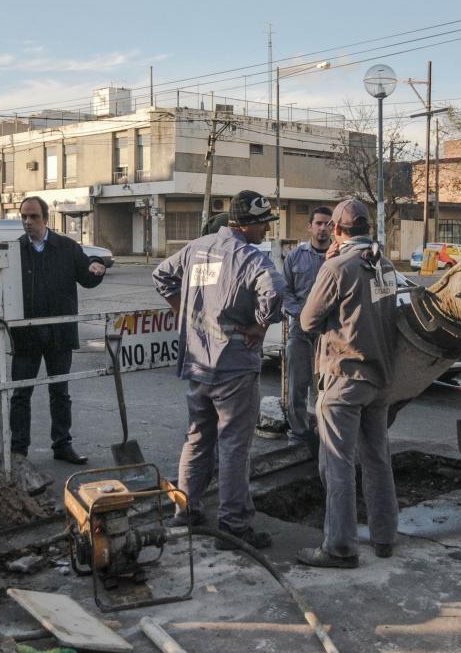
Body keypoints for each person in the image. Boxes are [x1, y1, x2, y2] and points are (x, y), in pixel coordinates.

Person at [153, 189, 284, 550]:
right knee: (233, 446)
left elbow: (161, 275)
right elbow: (275, 292)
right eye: (263, 224)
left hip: (198, 361)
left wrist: (185, 312)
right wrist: (261, 325)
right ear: (246, 224)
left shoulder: (197, 247)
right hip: (233, 365)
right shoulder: (251, 258)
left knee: (197, 438)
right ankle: (233, 525)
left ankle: (185, 510)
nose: (266, 231)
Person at [295, 199, 399, 568]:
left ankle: (340, 547)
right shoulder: (384, 266)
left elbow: (308, 320)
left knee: (337, 464)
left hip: (343, 377)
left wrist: (327, 269)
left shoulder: (337, 267)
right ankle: (384, 536)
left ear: (338, 230)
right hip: (379, 378)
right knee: (377, 458)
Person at [8, 196, 106, 465]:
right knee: (20, 394)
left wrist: (96, 266)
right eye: (24, 216)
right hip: (25, 335)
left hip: (59, 334)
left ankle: (62, 444)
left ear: (45, 218)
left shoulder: (66, 247)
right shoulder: (15, 250)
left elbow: (87, 276)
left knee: (60, 392)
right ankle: (18, 451)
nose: (28, 222)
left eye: (33, 217)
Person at [281, 206, 333, 447]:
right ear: (309, 226)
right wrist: (302, 316)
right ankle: (298, 434)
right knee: (297, 386)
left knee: (326, 387)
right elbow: (285, 291)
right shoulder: (295, 256)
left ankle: (326, 434)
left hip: (330, 333)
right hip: (300, 332)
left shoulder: (338, 256)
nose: (323, 228)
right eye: (319, 223)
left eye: (328, 224)